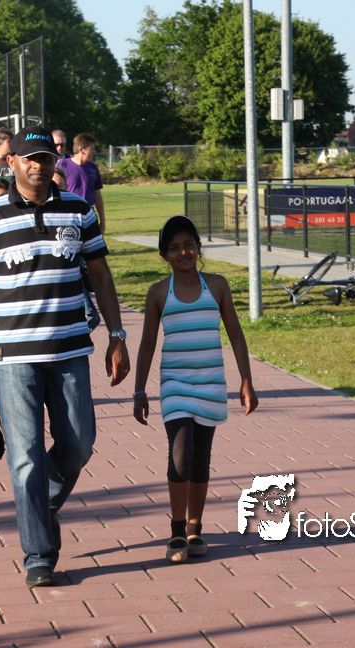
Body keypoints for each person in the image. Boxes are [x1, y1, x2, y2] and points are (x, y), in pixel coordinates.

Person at [0, 124, 130, 587]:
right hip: (13, 357)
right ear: (11, 162)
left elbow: (101, 275)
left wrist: (117, 335)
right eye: (30, 158)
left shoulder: (78, 210)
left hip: (70, 350)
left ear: (56, 162)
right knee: (26, 458)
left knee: (78, 445)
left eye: (46, 159)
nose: (39, 166)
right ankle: (39, 554)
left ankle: (42, 505)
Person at [132, 215, 258, 564]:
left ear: (199, 247)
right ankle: (176, 531)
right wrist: (139, 391)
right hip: (175, 386)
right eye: (174, 248)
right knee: (181, 454)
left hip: (210, 384)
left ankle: (195, 528)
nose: (183, 252)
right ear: (164, 255)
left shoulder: (216, 286)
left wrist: (246, 380)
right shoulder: (159, 292)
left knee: (201, 459)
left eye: (189, 245)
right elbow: (147, 344)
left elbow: (235, 334)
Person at [57, 133, 105, 232]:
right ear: (81, 150)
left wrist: (102, 221)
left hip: (89, 214)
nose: (95, 152)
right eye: (92, 149)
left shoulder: (93, 168)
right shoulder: (62, 166)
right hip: (69, 214)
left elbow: (98, 195)